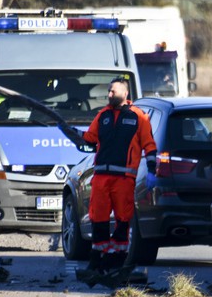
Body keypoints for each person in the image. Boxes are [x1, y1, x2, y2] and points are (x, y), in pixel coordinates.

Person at [59, 76, 158, 285]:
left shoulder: (140, 117)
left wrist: (151, 171)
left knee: (123, 220)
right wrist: (69, 132)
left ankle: (116, 263)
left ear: (125, 93)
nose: (109, 94)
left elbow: (150, 146)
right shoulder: (102, 116)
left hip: (124, 178)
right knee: (98, 220)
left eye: (113, 91)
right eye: (109, 91)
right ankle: (96, 263)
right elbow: (88, 139)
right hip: (101, 177)